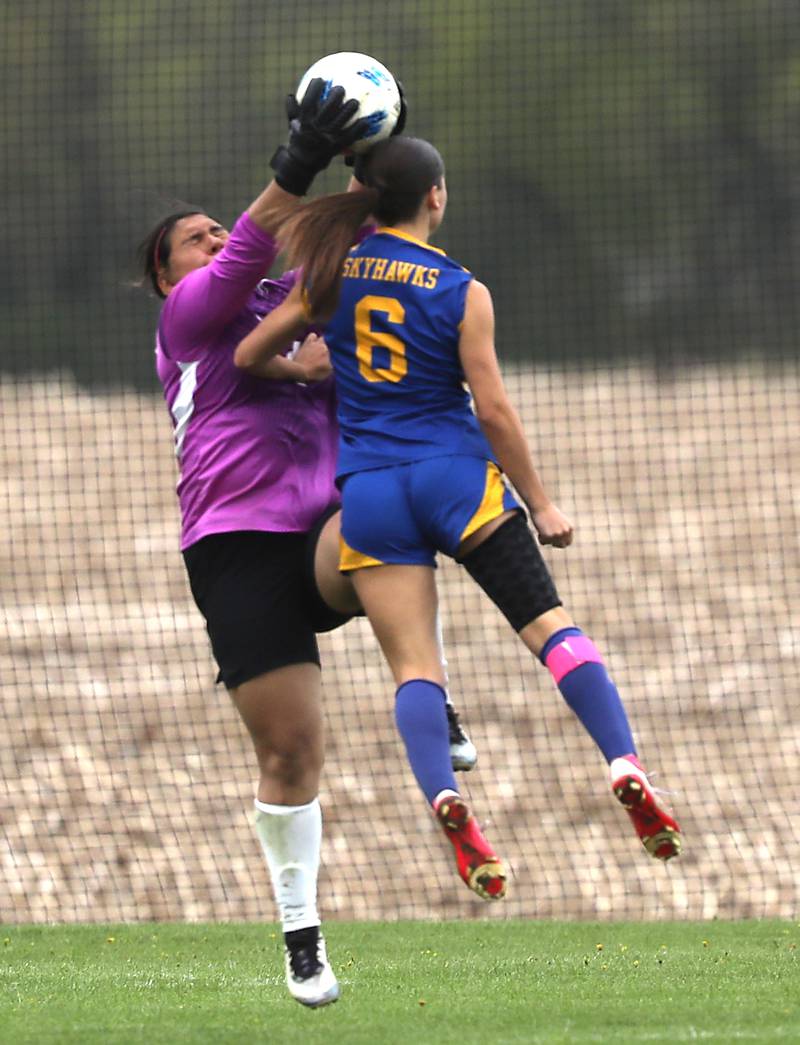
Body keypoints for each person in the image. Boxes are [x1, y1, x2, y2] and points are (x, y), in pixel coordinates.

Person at [233, 135, 683, 903]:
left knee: (416, 669)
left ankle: (445, 795)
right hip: (456, 481)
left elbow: (247, 355)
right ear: (435, 196)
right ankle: (624, 763)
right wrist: (540, 502)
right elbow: (494, 409)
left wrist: (301, 367)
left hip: (372, 494)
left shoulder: (332, 274)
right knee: (551, 629)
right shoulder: (462, 289)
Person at [137, 86, 477, 1007]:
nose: (216, 240)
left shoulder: (301, 302)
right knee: (291, 753)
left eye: (217, 229)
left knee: (388, 515)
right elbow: (256, 243)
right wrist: (296, 160)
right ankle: (301, 936)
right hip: (236, 547)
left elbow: (354, 242)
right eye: (195, 240)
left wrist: (375, 162)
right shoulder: (190, 318)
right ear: (170, 277)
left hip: (323, 532)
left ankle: (432, 692)